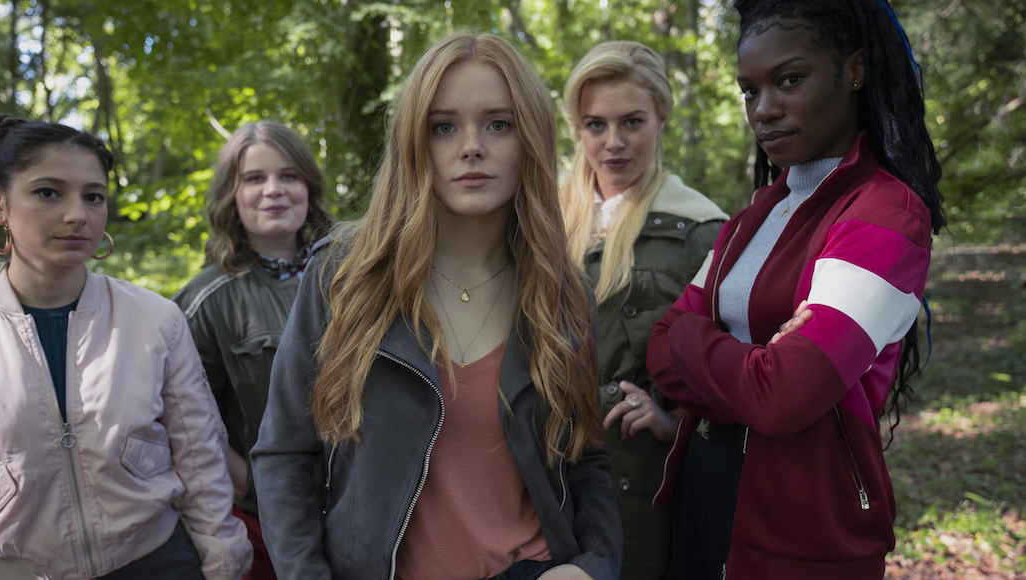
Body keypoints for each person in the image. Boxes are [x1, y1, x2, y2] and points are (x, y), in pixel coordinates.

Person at [250, 31, 622, 580]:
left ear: (530, 139)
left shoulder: (564, 293)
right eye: (443, 127)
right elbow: (284, 455)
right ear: (414, 143)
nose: (471, 147)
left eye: (499, 124)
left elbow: (585, 458)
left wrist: (594, 566)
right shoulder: (343, 276)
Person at [645, 0, 946, 578]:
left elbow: (784, 397)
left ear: (854, 70)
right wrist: (750, 363)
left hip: (800, 522)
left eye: (789, 80)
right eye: (749, 90)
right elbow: (659, 349)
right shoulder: (752, 217)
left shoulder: (887, 215)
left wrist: (691, 337)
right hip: (701, 488)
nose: (763, 109)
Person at [0, 115, 253, 580]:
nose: (78, 214)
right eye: (49, 192)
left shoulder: (155, 319)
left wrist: (223, 560)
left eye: (93, 196)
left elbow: (202, 458)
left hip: (157, 563)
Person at [559, 41, 728, 580]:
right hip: (541, 473)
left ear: (661, 118)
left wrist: (674, 422)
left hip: (637, 481)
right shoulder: (539, 218)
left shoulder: (700, 231)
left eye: (631, 122)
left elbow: (732, 369)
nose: (613, 142)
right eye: (596, 125)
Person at [173, 120, 333, 580]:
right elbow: (187, 422)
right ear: (232, 194)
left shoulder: (357, 273)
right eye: (255, 178)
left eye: (288, 175)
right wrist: (252, 482)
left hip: (369, 510)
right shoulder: (205, 300)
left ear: (308, 187)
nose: (273, 190)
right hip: (266, 523)